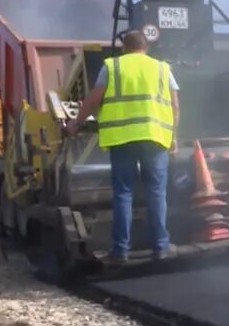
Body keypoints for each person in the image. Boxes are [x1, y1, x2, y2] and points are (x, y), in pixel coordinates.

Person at [67, 30, 180, 263]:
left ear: (123, 47)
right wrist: (173, 137)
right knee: (156, 193)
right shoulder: (162, 68)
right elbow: (175, 107)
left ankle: (120, 251)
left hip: (122, 140)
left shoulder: (112, 67)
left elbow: (93, 100)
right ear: (146, 46)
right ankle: (161, 246)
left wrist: (75, 124)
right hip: (155, 138)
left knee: (123, 194)